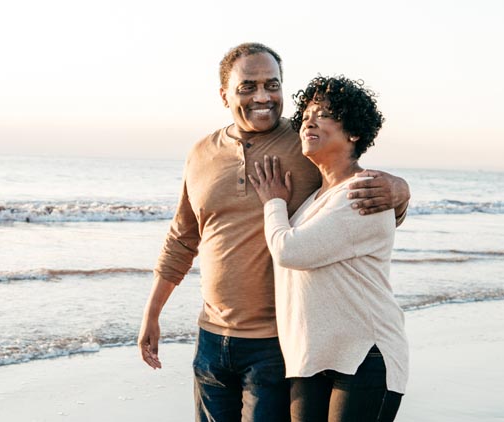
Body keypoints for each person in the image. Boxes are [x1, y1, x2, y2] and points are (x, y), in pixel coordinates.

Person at [137, 43, 410, 422]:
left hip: (276, 343)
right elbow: (183, 238)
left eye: (272, 84)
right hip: (211, 339)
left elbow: (355, 192)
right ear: (224, 95)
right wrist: (152, 313)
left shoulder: (305, 147)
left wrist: (399, 190)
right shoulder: (201, 153)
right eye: (248, 86)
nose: (262, 96)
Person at [248, 75, 408, 421]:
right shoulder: (314, 201)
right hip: (311, 358)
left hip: (364, 355)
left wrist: (273, 202)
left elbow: (290, 251)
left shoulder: (363, 191)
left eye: (323, 114)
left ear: (353, 132)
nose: (309, 120)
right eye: (306, 114)